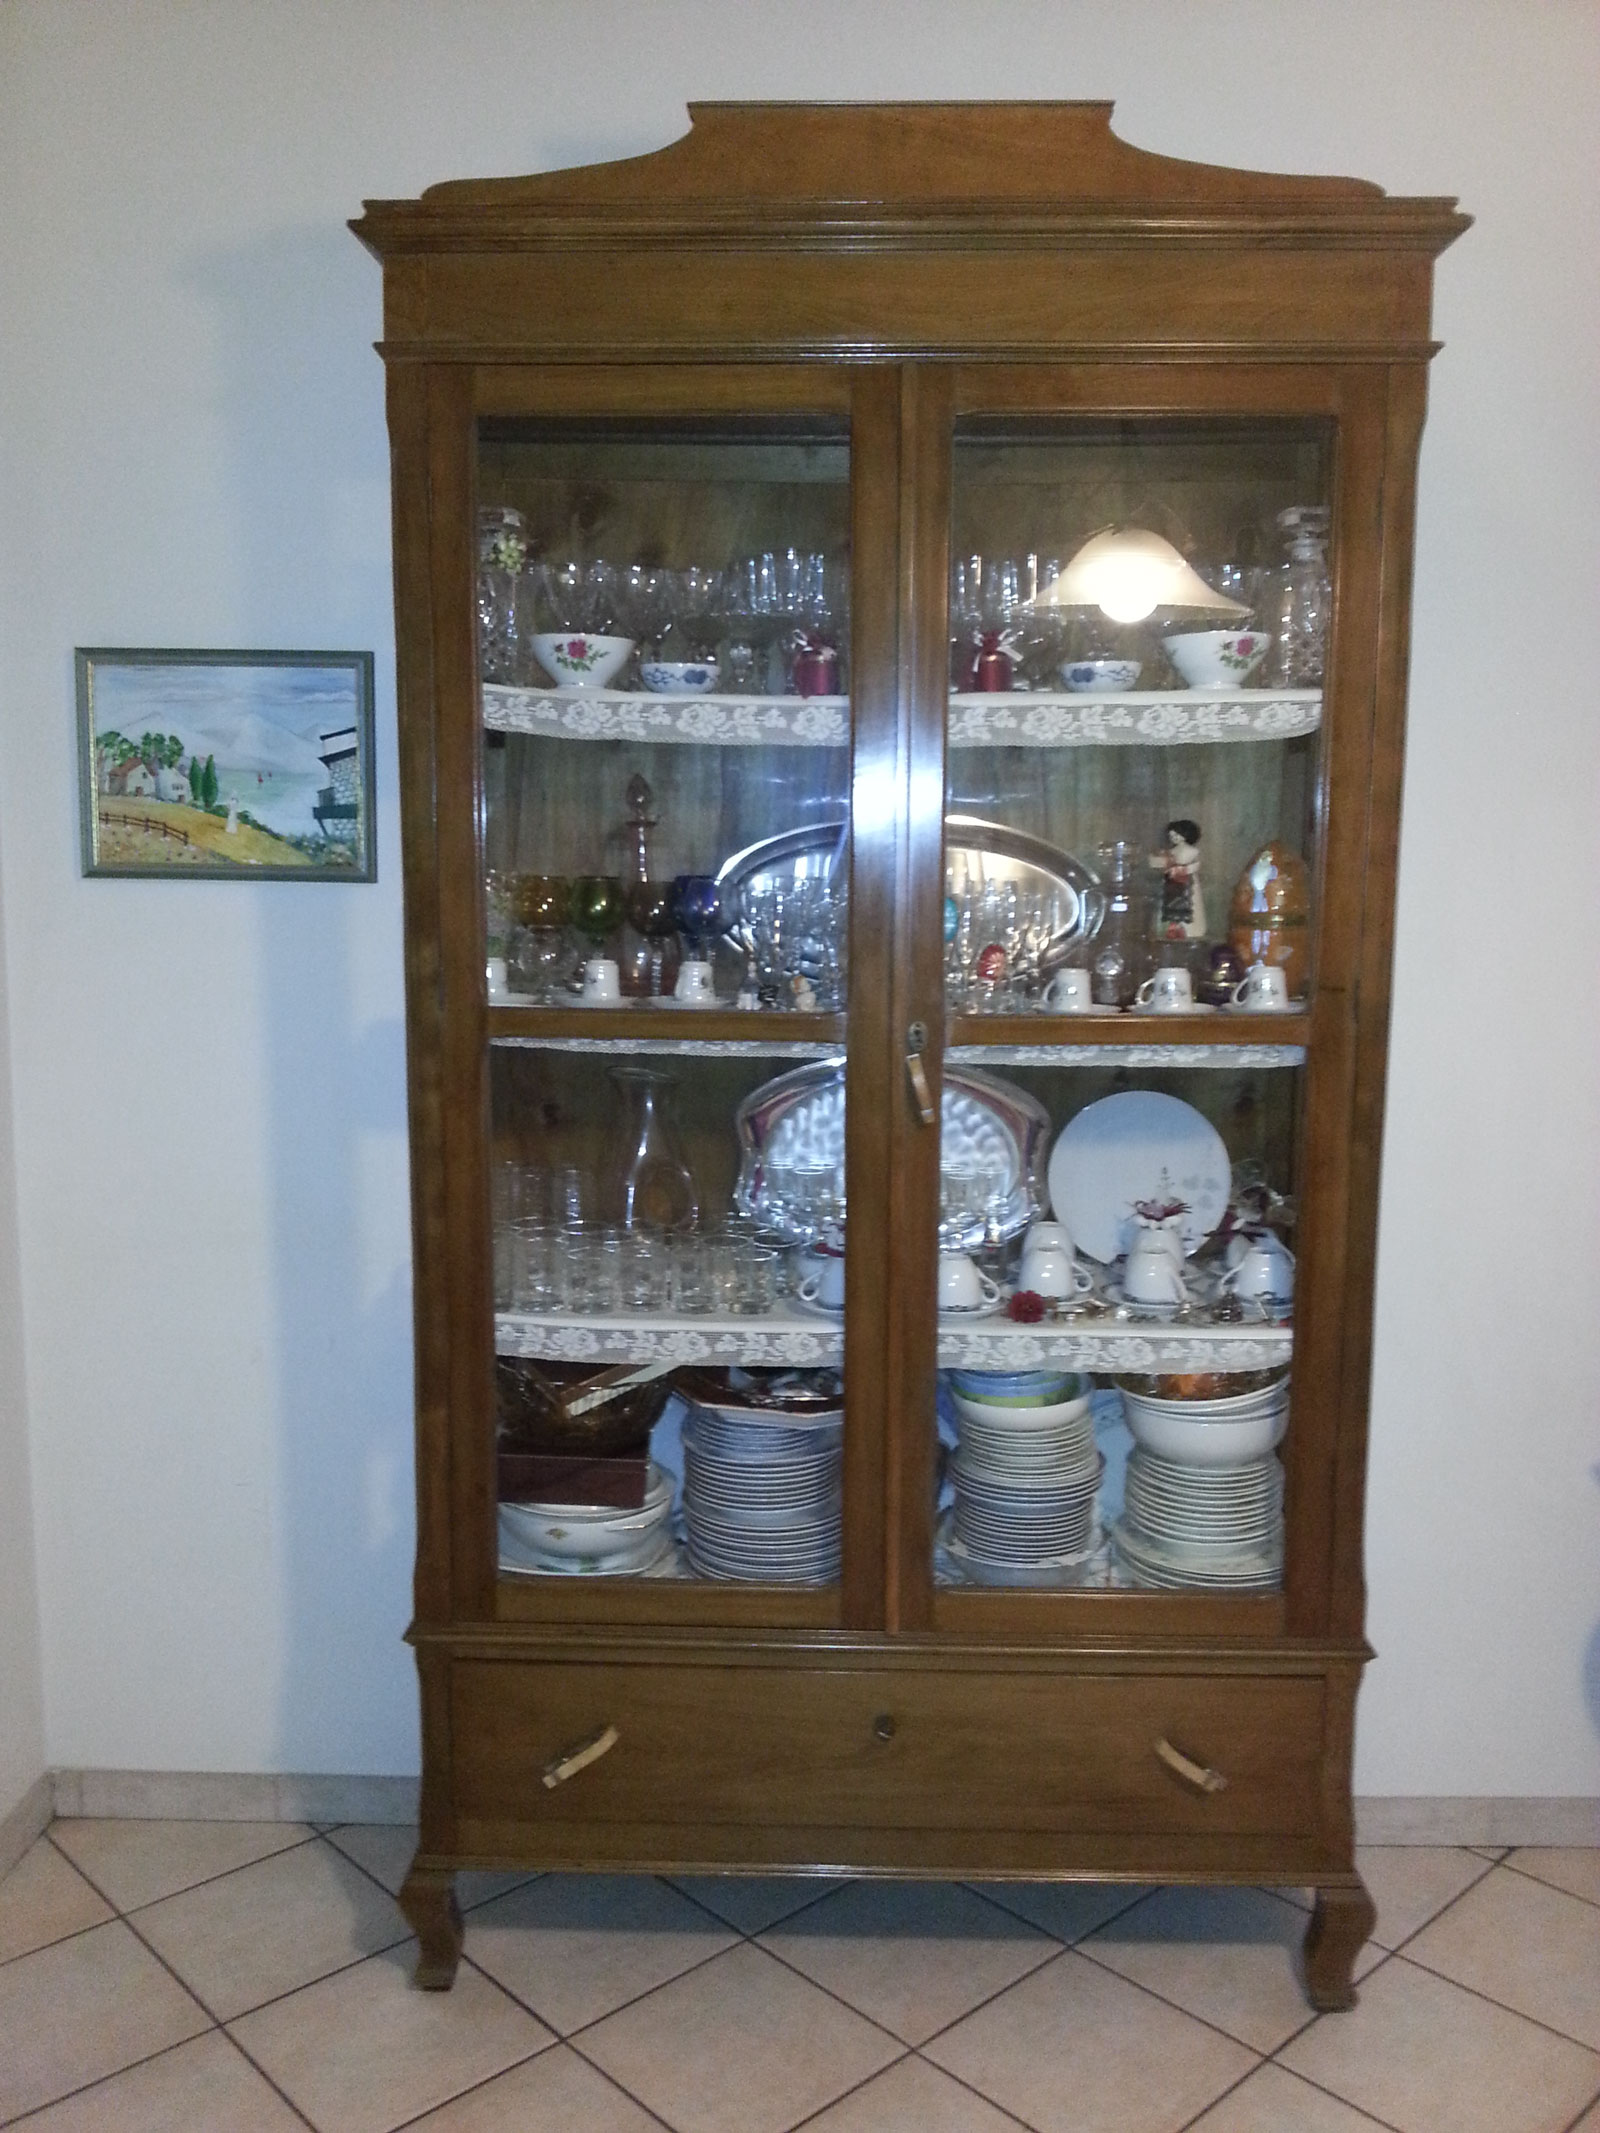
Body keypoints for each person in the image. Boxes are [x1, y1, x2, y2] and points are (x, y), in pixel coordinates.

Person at [1150, 818, 1205, 939]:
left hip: (1185, 883)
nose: (1173, 837)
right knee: (1169, 905)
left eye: (1176, 835)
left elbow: (1195, 865)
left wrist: (1181, 870)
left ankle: (1189, 930)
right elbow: (1162, 863)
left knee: (1188, 904)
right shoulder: (1171, 851)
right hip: (1171, 884)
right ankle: (1171, 928)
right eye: (1172, 835)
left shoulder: (1192, 851)